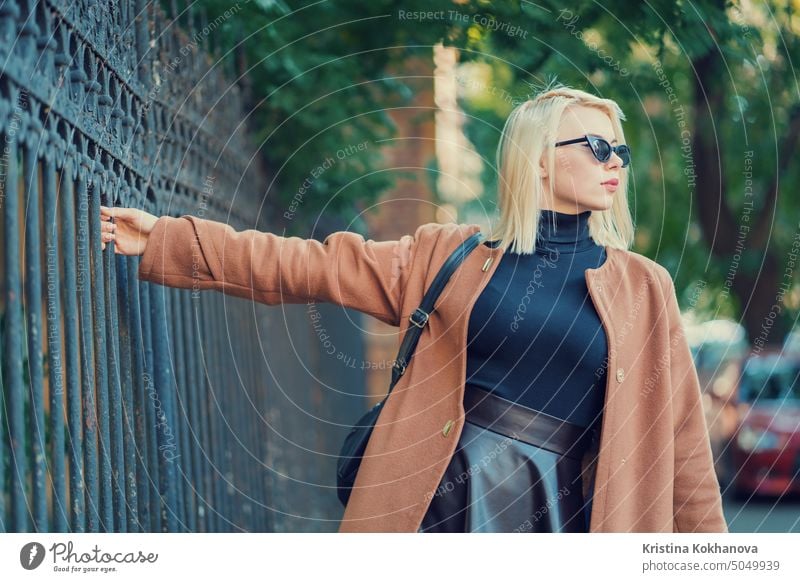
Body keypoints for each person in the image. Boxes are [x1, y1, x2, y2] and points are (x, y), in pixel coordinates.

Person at [99, 84, 728, 533]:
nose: (614, 160)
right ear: (538, 156)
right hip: (441, 504)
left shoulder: (645, 288)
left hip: (569, 513)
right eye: (596, 144)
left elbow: (681, 441)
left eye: (618, 149)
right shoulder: (448, 258)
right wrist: (165, 238)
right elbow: (308, 265)